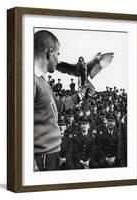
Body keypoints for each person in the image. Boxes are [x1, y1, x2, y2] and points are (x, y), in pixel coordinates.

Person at [34, 30, 87, 171]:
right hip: (41, 159)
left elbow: (58, 105)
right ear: (49, 52)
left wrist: (79, 95)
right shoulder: (30, 80)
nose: (58, 60)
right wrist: (30, 165)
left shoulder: (43, 82)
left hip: (51, 155)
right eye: (57, 54)